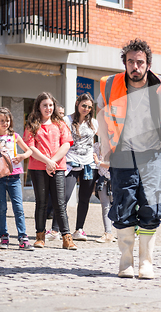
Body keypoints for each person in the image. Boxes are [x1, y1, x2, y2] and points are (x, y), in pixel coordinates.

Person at [97, 38, 161, 279]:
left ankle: (146, 262)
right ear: (125, 63)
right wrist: (105, 148)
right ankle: (126, 262)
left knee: (152, 206)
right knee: (123, 206)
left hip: (154, 155)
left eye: (140, 62)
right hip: (123, 153)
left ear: (148, 64)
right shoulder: (110, 85)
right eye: (130, 62)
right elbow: (101, 116)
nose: (135, 66)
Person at [23, 92, 77, 250]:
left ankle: (67, 238)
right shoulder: (32, 124)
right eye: (45, 105)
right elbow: (30, 147)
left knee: (60, 204)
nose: (48, 108)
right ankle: (40, 237)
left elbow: (66, 144)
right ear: (39, 107)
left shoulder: (60, 124)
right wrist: (47, 161)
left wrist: (52, 162)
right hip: (38, 167)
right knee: (41, 203)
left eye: (51, 105)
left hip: (58, 167)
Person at [48, 93, 98, 242]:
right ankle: (56, 230)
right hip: (69, 163)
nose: (86, 109)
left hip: (88, 165)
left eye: (89, 107)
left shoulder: (94, 123)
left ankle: (79, 229)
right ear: (77, 103)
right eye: (84, 105)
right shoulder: (66, 120)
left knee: (84, 199)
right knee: (63, 197)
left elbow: (95, 142)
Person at [0, 107, 34, 250]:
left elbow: (28, 150)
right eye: (2, 120)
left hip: (14, 175)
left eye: (7, 120)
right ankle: (4, 236)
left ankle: (23, 237)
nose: (5, 123)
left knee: (18, 207)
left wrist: (22, 156)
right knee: (1, 207)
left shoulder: (14, 136)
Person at [92, 141, 116, 243]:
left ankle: (124, 232)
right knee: (105, 206)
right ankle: (108, 233)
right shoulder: (96, 146)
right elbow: (93, 163)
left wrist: (98, 162)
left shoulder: (116, 145)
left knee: (116, 207)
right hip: (102, 180)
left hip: (116, 180)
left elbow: (114, 165)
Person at [46, 104, 64, 220]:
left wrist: (53, 161)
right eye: (60, 113)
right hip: (44, 164)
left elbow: (66, 144)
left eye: (63, 113)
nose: (61, 115)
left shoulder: (62, 126)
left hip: (59, 164)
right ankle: (48, 212)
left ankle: (53, 214)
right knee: (47, 195)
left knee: (59, 196)